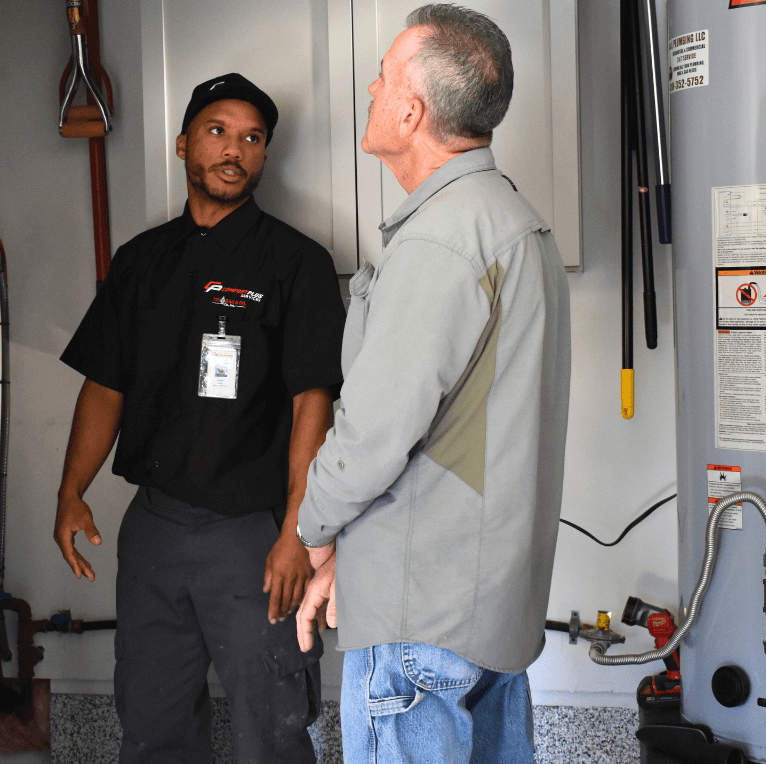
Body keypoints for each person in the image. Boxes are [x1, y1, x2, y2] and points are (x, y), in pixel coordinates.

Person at [293, 6, 572, 763]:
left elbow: (374, 433)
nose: (373, 87)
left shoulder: (442, 241)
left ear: (411, 110)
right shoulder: (514, 222)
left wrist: (315, 533)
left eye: (384, 75)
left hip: (422, 626)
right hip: (488, 613)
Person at [54, 73, 346, 764]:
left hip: (252, 535)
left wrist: (296, 534)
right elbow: (105, 384)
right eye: (218, 131)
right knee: (151, 724)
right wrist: (72, 492)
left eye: (252, 138)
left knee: (270, 727)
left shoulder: (296, 263)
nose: (233, 150)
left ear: (264, 156)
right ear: (184, 143)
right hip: (154, 529)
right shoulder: (143, 261)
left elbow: (315, 402)